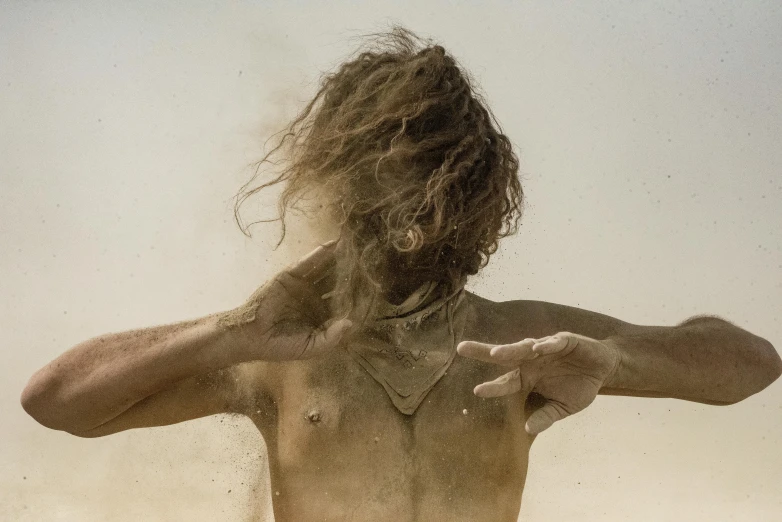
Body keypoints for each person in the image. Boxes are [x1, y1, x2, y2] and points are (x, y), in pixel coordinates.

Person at [21, 28, 781, 522]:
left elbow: (751, 364)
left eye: (436, 202)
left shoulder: (522, 344)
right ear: (346, 191)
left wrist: (618, 360)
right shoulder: (276, 355)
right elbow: (54, 401)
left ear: (473, 206)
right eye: (391, 195)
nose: (412, 229)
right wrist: (229, 332)